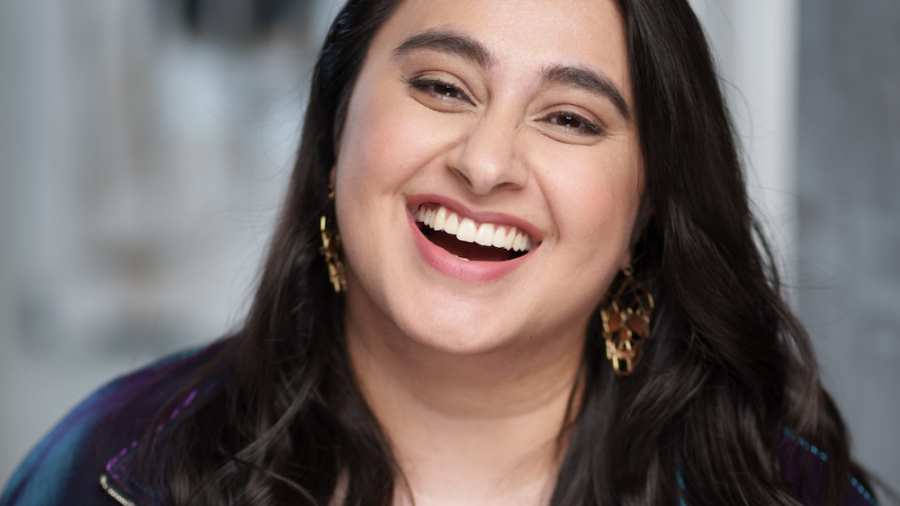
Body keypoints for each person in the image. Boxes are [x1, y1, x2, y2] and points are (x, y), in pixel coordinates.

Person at [0, 0, 884, 505]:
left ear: (648, 210)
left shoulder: (787, 498)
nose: (486, 161)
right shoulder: (104, 467)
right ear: (336, 130)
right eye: (440, 86)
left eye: (571, 118)